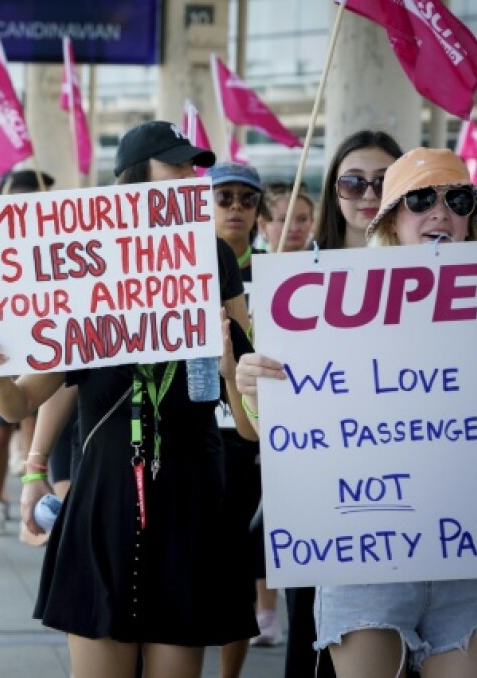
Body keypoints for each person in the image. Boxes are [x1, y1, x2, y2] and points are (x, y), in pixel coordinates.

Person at [0, 121, 258, 677]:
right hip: (102, 504)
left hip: (190, 500)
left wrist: (232, 374)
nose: (189, 178)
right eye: (175, 165)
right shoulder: (85, 260)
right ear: (135, 180)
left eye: (192, 167)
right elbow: (16, 407)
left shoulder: (213, 255)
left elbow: (251, 425)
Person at [237, 147, 477, 678]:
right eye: (420, 199)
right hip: (363, 559)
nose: (440, 212)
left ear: (470, 218)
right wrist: (253, 389)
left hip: (465, 556)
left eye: (457, 199)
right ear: (392, 216)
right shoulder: (327, 299)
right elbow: (283, 439)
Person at [280, 129, 403, 678]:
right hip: (323, 498)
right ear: (333, 191)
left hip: (413, 492)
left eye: (384, 181)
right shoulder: (295, 278)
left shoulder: (445, 270)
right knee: (314, 649)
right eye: (353, 182)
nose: (368, 194)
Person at [209, 164, 278, 674]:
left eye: (246, 199)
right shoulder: (174, 267)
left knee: (234, 571)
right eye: (224, 196)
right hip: (192, 434)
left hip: (249, 436)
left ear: (258, 210)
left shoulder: (278, 272)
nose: (235, 207)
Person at [0, 169, 55, 538]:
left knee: (31, 419)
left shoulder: (60, 238)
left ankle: (31, 485)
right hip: (6, 347)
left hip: (49, 346)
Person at [258, 183, 315, 253]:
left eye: (302, 219)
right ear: (263, 225)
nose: (294, 228)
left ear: (312, 222)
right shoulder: (251, 262)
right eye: (283, 220)